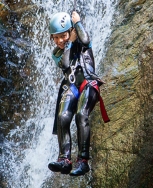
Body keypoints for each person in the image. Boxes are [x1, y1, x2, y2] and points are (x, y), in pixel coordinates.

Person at [48, 11, 109, 176]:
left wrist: (78, 22)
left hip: (88, 83)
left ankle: (83, 161)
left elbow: (86, 39)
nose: (60, 40)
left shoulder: (82, 42)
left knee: (81, 114)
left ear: (70, 31)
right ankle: (64, 160)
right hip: (71, 86)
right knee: (62, 117)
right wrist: (69, 43)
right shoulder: (57, 53)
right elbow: (66, 64)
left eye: (63, 36)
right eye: (56, 37)